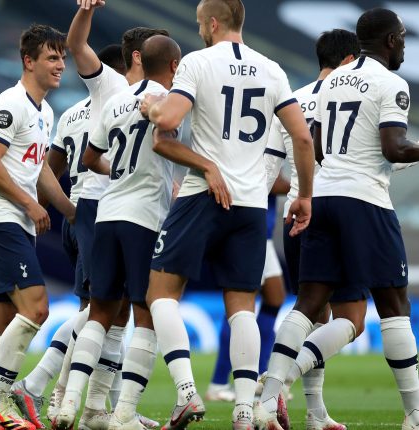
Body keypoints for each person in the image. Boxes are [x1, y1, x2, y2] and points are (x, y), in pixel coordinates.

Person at [140, 0, 315, 428]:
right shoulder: (272, 70)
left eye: (201, 23)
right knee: (242, 308)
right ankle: (243, 411)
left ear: (213, 23)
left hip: (203, 195)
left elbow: (169, 117)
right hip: (251, 205)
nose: (200, 29)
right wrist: (304, 196)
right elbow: (302, 139)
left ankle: (187, 393)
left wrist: (152, 106)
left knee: (160, 294)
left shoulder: (197, 63)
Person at [254, 9, 419, 430]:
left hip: (321, 198)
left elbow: (318, 147)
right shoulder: (392, 83)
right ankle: (415, 415)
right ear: (391, 41)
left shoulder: (329, 83)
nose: (404, 44)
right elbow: (395, 147)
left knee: (310, 303)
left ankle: (269, 397)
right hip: (364, 201)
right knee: (394, 306)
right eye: (402, 37)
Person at [46, 3, 168, 429]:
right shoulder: (114, 85)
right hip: (107, 207)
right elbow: (77, 44)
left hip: (107, 206)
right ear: (139, 56)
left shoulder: (143, 97)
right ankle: (48, 388)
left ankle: (92, 408)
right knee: (110, 310)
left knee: (109, 313)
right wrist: (85, 11)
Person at [0, 24, 75, 430]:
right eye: (52, 57)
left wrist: (71, 211)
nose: (60, 65)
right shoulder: (10, 104)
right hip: (1, 220)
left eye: (62, 57)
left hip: (16, 223)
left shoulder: (45, 111)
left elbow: (39, 169)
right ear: (29, 61)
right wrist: (29, 203)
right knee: (37, 309)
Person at [10, 44, 126, 430]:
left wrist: (46, 214)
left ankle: (91, 403)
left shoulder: (72, 113)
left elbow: (51, 168)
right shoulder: (121, 105)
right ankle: (38, 384)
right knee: (103, 312)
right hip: (100, 215)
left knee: (101, 312)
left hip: (75, 218)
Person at [257, 28, 360, 430]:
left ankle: (315, 413)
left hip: (295, 216)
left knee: (314, 310)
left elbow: (268, 167)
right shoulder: (356, 96)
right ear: (350, 60)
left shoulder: (293, 100)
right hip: (344, 212)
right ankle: (279, 381)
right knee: (352, 317)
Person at [205, 184, 290, 404]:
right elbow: (269, 181)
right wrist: (304, 184)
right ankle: (218, 383)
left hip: (263, 233)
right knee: (241, 304)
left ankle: (260, 374)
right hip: (249, 228)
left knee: (275, 297)